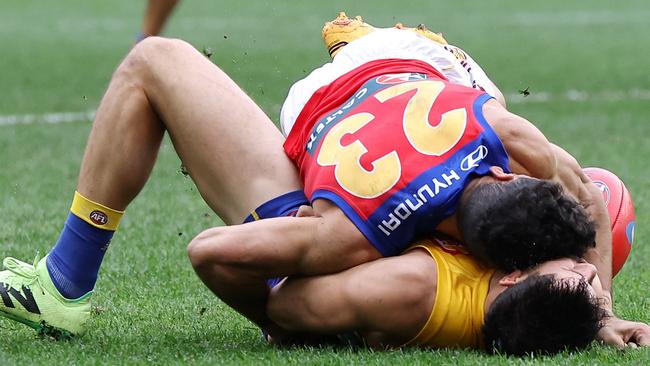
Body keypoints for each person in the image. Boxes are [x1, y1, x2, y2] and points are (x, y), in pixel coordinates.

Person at [0, 14, 637, 349]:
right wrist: (282, 321)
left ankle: (65, 282)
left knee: (153, 58)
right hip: (357, 187)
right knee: (605, 199)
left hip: (350, 136)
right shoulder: (367, 239)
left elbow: (215, 254)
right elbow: (583, 191)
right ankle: (62, 286)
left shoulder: (491, 126)